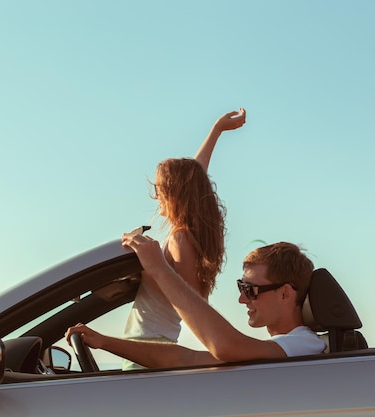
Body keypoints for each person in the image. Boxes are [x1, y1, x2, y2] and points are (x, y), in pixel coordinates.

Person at [66, 241, 326, 368]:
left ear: (285, 294)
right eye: (241, 288)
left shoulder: (305, 345)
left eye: (250, 290)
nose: (241, 298)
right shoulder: (279, 349)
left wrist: (160, 269)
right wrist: (104, 341)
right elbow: (183, 357)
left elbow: (224, 346)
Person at [120, 109, 246, 369]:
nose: (156, 197)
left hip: (151, 351)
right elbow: (195, 174)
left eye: (160, 190)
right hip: (149, 348)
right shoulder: (185, 233)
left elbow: (194, 301)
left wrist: (154, 266)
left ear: (175, 195)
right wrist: (216, 131)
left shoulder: (180, 239)